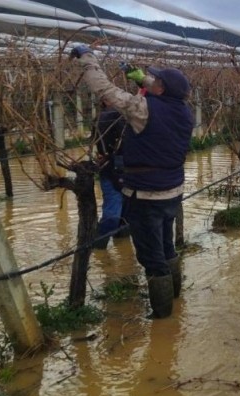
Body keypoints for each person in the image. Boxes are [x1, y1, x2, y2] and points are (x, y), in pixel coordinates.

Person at [71, 45, 193, 319]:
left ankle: (162, 319)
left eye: (156, 80)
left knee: (152, 259)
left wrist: (87, 59)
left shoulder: (142, 109)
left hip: (146, 195)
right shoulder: (185, 109)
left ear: (160, 89)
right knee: (166, 246)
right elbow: (166, 90)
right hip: (172, 192)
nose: (153, 81)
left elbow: (104, 90)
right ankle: (175, 300)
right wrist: (136, 76)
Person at [92, 101, 128, 250]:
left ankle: (109, 251)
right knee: (116, 215)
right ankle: (99, 250)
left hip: (114, 169)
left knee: (120, 214)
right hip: (118, 170)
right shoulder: (117, 117)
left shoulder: (102, 117)